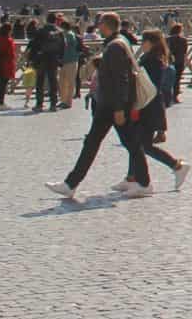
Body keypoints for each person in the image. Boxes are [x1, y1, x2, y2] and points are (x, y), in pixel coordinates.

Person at [47, 13, 150, 202]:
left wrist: (119, 108)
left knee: (129, 144)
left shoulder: (116, 46)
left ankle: (144, 183)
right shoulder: (117, 43)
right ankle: (71, 184)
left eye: (100, 23)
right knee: (97, 142)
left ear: (106, 25)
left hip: (113, 105)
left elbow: (121, 79)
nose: (98, 26)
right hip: (109, 104)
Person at [130, 31, 190, 189]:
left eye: (144, 41)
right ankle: (131, 177)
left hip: (148, 107)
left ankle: (176, 166)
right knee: (136, 143)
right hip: (148, 106)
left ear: (151, 42)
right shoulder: (151, 58)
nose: (141, 44)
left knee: (144, 145)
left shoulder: (152, 60)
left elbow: (151, 87)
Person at [0, 20, 18, 110]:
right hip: (7, 64)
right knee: (3, 84)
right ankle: (1, 102)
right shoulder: (8, 40)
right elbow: (11, 53)